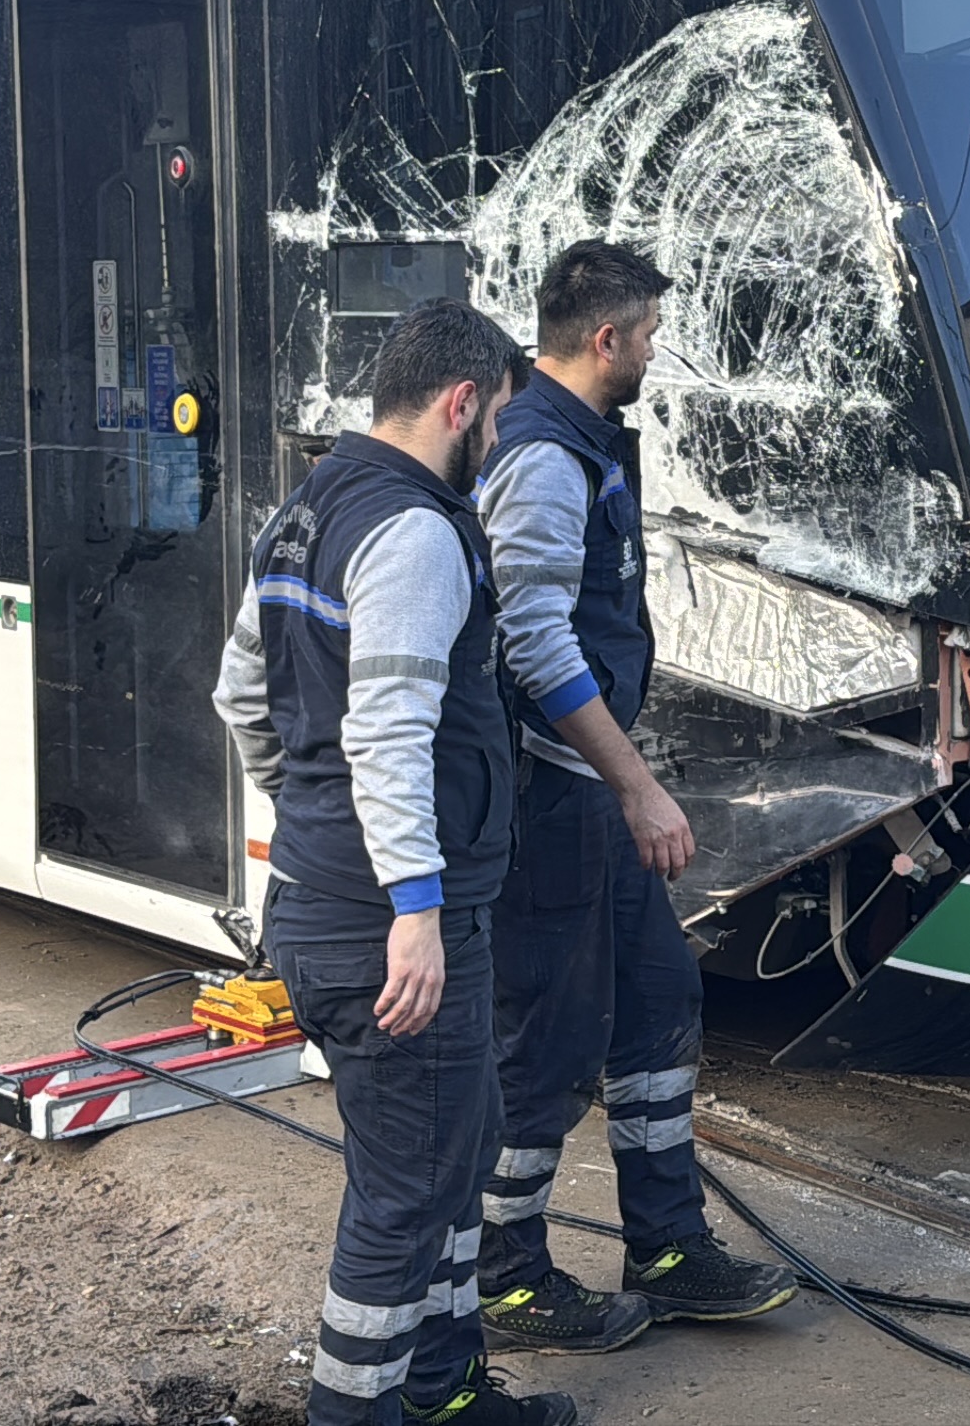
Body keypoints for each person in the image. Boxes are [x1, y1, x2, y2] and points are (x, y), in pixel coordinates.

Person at [212, 299, 580, 1426]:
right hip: (392, 931)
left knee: (450, 1157)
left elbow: (238, 697)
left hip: (332, 903)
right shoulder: (416, 533)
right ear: (460, 402)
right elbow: (385, 729)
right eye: (500, 425)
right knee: (408, 1194)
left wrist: (316, 826)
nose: (501, 452)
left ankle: (445, 1391)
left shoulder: (303, 513)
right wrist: (408, 903)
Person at [475, 242, 794, 1350]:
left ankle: (667, 1249)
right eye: (651, 334)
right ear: (606, 340)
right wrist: (639, 785)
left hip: (589, 799)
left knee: (659, 1003)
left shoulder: (582, 444)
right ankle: (505, 1277)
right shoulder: (545, 459)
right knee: (550, 1046)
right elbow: (530, 644)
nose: (656, 351)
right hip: (554, 802)